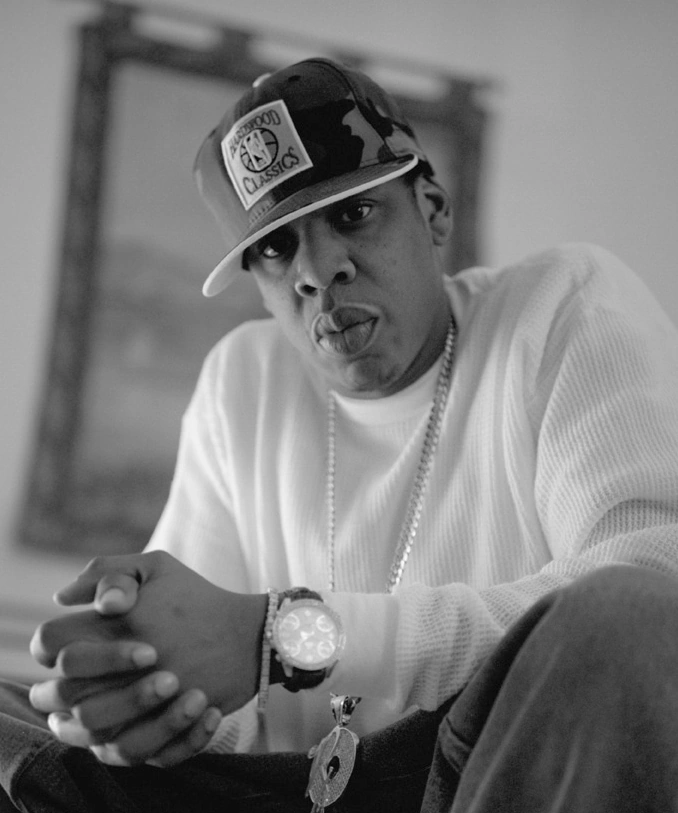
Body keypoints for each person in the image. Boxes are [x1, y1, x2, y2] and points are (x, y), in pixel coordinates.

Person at [2, 56, 678, 812]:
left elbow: (653, 584)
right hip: (291, 788)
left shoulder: (560, 307)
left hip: (472, 777)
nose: (318, 272)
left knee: (624, 616)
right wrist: (152, 700)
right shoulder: (242, 379)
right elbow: (214, 688)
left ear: (433, 211)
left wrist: (287, 637)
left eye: (353, 214)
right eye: (274, 247)